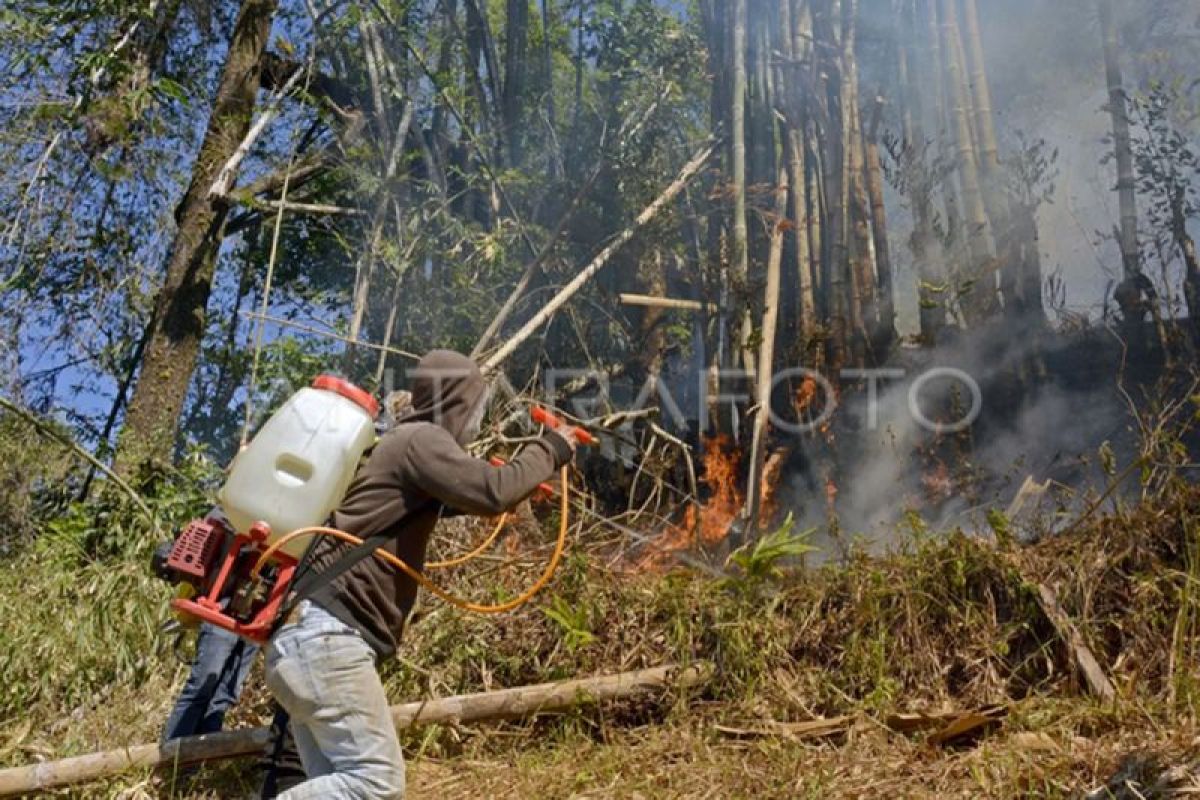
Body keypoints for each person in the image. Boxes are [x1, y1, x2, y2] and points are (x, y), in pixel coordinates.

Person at [263, 350, 578, 799]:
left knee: (335, 789)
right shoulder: (420, 441)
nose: (476, 419)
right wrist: (552, 448)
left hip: (309, 638)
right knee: (376, 783)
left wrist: (522, 481)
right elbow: (492, 492)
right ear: (456, 402)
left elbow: (464, 495)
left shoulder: (402, 444)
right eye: (475, 406)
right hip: (328, 637)